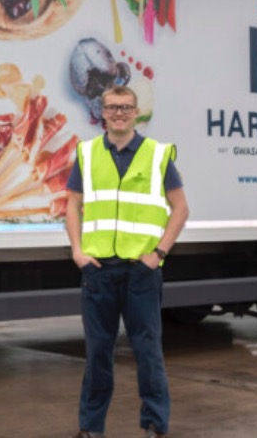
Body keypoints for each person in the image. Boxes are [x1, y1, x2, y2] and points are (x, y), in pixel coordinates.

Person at [65, 85, 189, 438]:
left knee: (148, 353)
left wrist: (158, 254)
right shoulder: (87, 153)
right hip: (98, 272)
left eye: (125, 107)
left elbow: (180, 208)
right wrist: (78, 252)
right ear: (102, 112)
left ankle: (155, 425)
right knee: (97, 354)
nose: (118, 113)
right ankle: (91, 428)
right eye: (112, 107)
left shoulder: (157, 155)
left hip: (141, 272)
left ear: (136, 113)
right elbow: (72, 204)